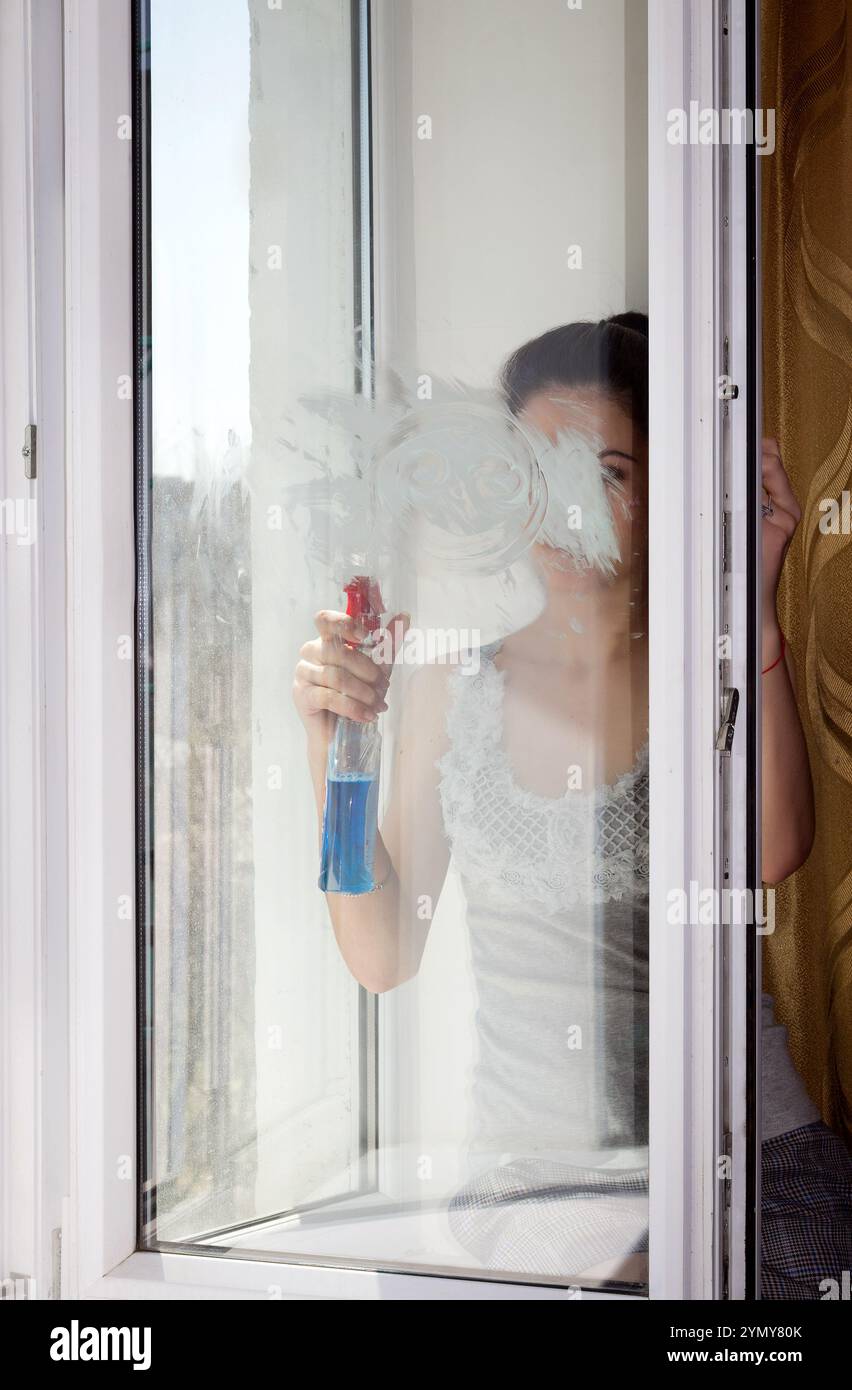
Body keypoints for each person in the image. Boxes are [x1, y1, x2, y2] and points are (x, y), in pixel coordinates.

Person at [293, 313, 851, 1294]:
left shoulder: (703, 667)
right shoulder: (451, 689)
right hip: (539, 1182)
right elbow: (382, 955)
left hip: (754, 1164)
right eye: (538, 470)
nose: (569, 510)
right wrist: (333, 744)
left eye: (611, 473)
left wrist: (749, 604)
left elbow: (774, 849)